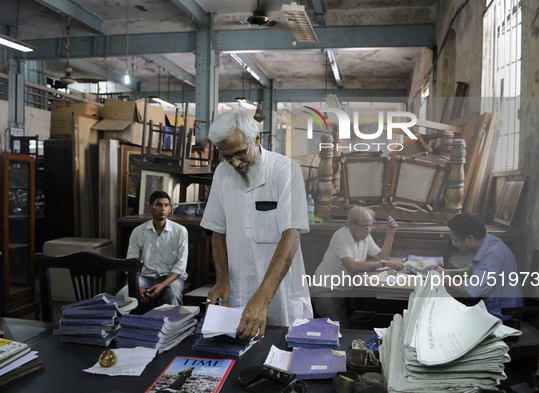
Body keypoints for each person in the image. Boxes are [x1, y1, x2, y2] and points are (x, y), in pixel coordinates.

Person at [200, 107, 312, 340]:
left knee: (283, 353)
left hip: (280, 292)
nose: (234, 163)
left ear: (257, 139)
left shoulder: (286, 170)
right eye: (226, 156)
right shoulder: (222, 174)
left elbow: (291, 237)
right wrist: (222, 278)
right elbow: (218, 231)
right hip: (239, 289)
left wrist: (262, 300)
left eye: (240, 153)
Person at [311, 206, 403, 329]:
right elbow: (352, 266)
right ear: (351, 224)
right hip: (326, 291)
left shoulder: (365, 236)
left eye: (370, 226)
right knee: (339, 330)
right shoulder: (340, 237)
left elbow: (382, 256)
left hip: (347, 290)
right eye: (365, 226)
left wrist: (390, 234)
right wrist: (385, 263)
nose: (368, 230)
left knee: (369, 315)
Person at [434, 212, 523, 323]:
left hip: (501, 316)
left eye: (455, 241)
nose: (454, 244)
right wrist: (447, 272)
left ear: (470, 238)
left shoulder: (495, 253)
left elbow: (470, 291)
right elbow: (472, 270)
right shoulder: (488, 243)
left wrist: (440, 278)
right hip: (488, 307)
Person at [117, 191, 188, 306]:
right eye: (159, 205)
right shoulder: (138, 231)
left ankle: (173, 324)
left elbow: (181, 265)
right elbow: (130, 262)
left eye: (166, 205)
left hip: (170, 278)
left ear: (170, 208)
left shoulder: (180, 231)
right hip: (144, 277)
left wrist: (162, 285)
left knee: (173, 295)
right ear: (150, 207)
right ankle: (125, 323)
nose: (163, 209)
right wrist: (137, 286)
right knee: (121, 296)